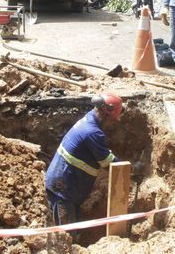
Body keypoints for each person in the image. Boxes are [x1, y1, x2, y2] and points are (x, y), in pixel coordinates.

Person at [45, 93, 124, 226]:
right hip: (62, 190)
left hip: (67, 185)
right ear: (106, 114)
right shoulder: (92, 132)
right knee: (65, 232)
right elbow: (107, 162)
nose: (113, 123)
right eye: (113, 119)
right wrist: (130, 170)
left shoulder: (89, 118)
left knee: (73, 226)